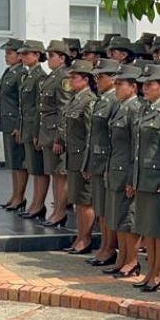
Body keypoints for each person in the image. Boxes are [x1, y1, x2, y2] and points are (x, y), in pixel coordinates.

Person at [129, 64, 160, 292]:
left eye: (150, 84)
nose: (145, 88)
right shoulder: (144, 108)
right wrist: (133, 178)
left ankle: (159, 274)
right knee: (147, 229)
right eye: (144, 84)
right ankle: (150, 271)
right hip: (143, 177)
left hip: (158, 180)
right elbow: (137, 148)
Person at [103, 65, 144, 279]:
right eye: (116, 83)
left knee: (128, 219)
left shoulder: (135, 108)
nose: (116, 87)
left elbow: (136, 147)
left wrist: (132, 178)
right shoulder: (121, 106)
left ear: (133, 87)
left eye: (120, 84)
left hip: (126, 170)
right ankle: (122, 258)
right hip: (115, 168)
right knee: (118, 217)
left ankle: (132, 261)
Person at [85, 60, 121, 268]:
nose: (97, 80)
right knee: (101, 208)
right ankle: (105, 246)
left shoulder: (114, 100)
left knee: (107, 209)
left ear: (113, 79)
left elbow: (112, 136)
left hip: (107, 160)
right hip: (98, 160)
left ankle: (109, 248)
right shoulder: (102, 99)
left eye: (101, 77)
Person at [61, 59, 98, 254]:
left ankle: (85, 239)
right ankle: (79, 236)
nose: (70, 80)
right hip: (73, 157)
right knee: (78, 201)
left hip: (82, 157)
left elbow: (91, 134)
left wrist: (88, 162)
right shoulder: (75, 99)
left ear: (85, 79)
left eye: (74, 77)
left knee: (85, 201)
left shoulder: (89, 100)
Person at [38, 39, 75, 228]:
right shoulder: (53, 76)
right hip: (48, 131)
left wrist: (60, 136)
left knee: (61, 175)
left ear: (62, 58)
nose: (48, 59)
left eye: (51, 55)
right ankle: (56, 211)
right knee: (55, 174)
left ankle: (60, 213)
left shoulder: (64, 77)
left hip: (56, 133)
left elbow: (64, 108)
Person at [16, 40, 48, 219]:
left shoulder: (40, 77)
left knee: (39, 169)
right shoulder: (28, 75)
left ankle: (39, 204)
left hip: (33, 128)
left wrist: (37, 132)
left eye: (26, 53)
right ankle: (35, 203)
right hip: (27, 127)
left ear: (37, 55)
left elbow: (38, 108)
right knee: (33, 168)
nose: (22, 57)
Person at [0, 38, 28, 211]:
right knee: (12, 162)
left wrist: (19, 125)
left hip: (15, 122)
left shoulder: (21, 73)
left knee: (19, 162)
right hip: (7, 121)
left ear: (19, 55)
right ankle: (15, 194)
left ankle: (19, 196)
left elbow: (23, 102)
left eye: (10, 53)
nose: (6, 56)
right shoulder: (9, 72)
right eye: (6, 53)